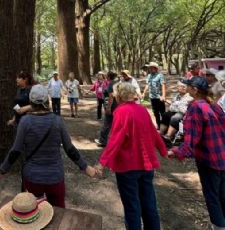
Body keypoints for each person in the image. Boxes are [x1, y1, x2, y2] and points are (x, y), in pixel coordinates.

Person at [0, 84, 96, 208]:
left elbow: (16, 150)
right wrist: (85, 167)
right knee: (59, 213)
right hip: (55, 177)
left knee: (33, 213)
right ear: (47, 100)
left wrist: (3, 169)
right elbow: (69, 149)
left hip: (32, 177)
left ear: (31, 101)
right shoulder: (57, 121)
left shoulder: (25, 122)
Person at [95, 82, 168, 230]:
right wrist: (163, 150)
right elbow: (154, 133)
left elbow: (115, 140)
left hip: (128, 168)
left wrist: (102, 163)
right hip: (146, 166)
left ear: (119, 96)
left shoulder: (121, 112)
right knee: (149, 205)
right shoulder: (142, 109)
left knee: (132, 207)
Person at [170, 76, 225, 229]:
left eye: (188, 86)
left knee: (212, 197)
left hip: (209, 160)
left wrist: (176, 152)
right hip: (221, 157)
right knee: (222, 195)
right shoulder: (214, 105)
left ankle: (219, 227)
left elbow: (192, 139)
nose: (185, 88)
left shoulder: (196, 107)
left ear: (194, 90)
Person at [159, 81, 193, 147]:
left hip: (185, 115)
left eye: (179, 86)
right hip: (177, 112)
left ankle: (168, 137)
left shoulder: (189, 97)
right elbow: (172, 106)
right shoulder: (177, 96)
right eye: (179, 86)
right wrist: (166, 101)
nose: (178, 87)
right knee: (166, 114)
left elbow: (183, 110)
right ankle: (160, 134)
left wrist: (174, 106)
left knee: (176, 117)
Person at [94, 71, 118, 147]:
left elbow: (111, 96)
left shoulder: (111, 84)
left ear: (108, 76)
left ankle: (102, 141)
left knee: (107, 123)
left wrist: (108, 107)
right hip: (116, 106)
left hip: (112, 106)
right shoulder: (116, 83)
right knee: (114, 123)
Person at [142, 62, 167, 130]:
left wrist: (163, 96)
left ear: (155, 68)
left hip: (159, 97)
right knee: (155, 112)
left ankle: (165, 126)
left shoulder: (160, 75)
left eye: (151, 68)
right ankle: (158, 125)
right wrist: (144, 92)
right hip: (152, 97)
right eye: (149, 68)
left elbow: (163, 85)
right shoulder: (149, 76)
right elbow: (148, 84)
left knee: (162, 113)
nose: (149, 69)